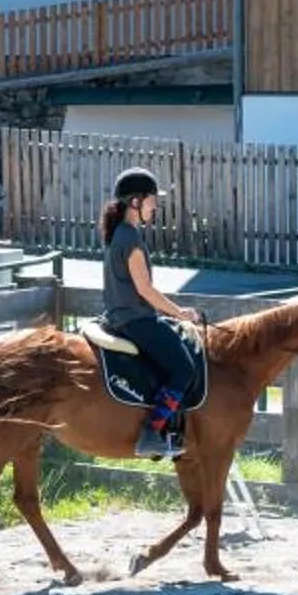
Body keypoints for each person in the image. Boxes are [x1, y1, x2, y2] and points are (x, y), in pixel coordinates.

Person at [100, 167, 202, 458]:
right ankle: (151, 432)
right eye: (151, 201)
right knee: (184, 368)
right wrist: (180, 313)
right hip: (136, 319)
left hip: (120, 316)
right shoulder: (130, 239)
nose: (155, 206)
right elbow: (146, 290)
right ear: (135, 202)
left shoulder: (119, 234)